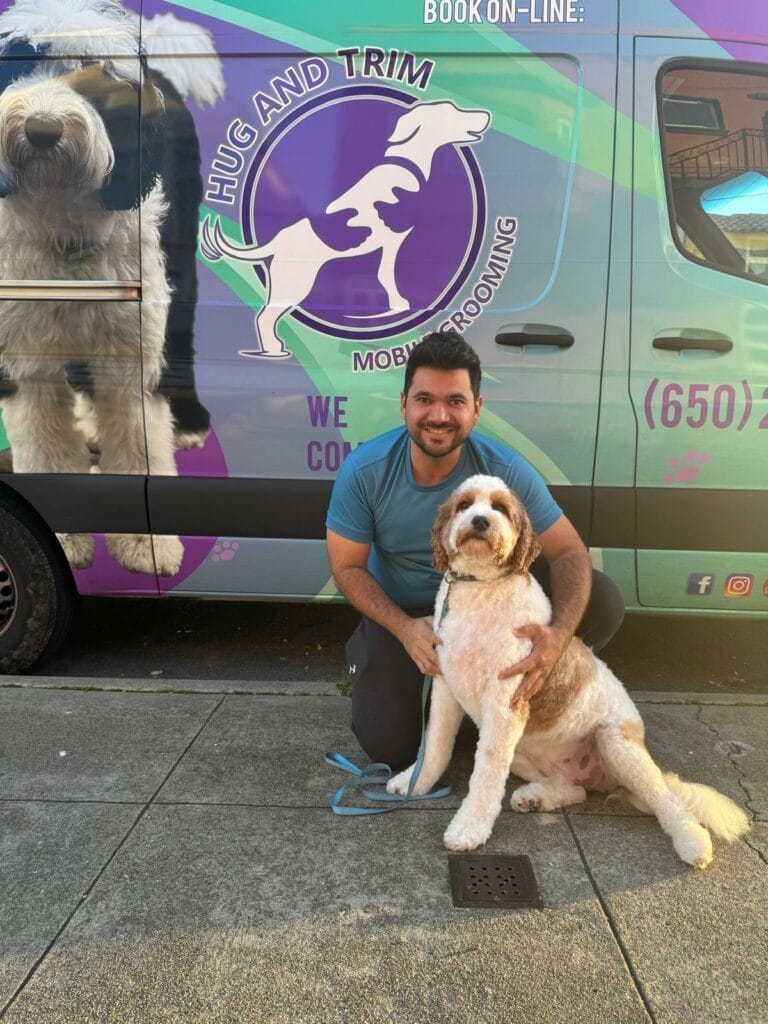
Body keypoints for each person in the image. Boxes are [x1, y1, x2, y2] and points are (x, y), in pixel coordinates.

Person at [326, 331, 624, 769]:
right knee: (392, 753)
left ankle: (515, 692)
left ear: (477, 410)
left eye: (456, 401)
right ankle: (392, 667)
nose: (439, 415)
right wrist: (405, 629)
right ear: (404, 402)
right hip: (407, 613)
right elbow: (347, 568)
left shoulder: (503, 470)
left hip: (488, 601)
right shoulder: (366, 471)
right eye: (425, 399)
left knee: (601, 598)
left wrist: (556, 640)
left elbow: (570, 554)